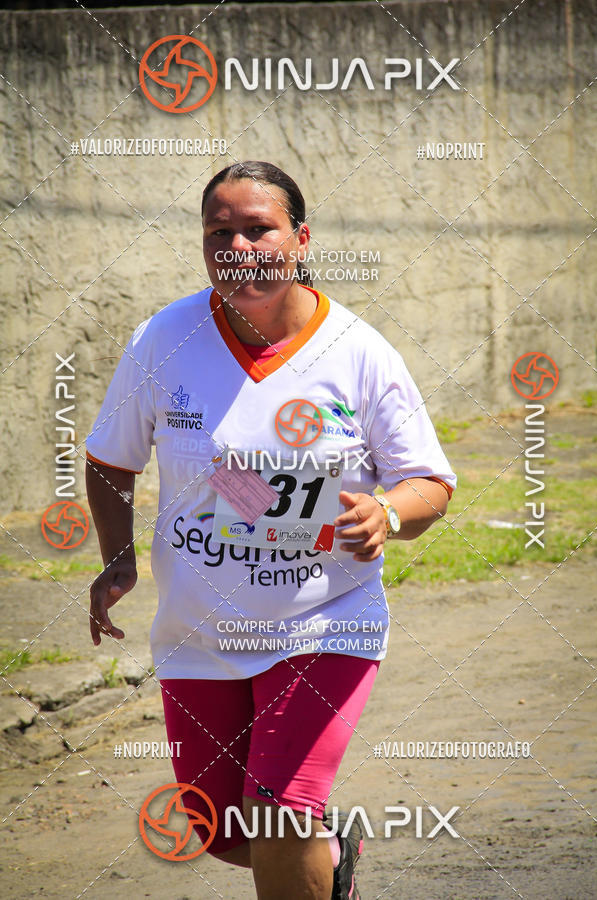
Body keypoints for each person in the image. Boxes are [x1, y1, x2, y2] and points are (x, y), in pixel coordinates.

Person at [86, 160, 456, 900]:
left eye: (259, 228)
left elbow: (431, 483)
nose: (239, 246)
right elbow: (109, 462)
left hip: (322, 622)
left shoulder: (358, 352)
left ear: (302, 238)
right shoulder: (164, 339)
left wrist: (386, 512)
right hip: (199, 631)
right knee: (222, 829)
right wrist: (118, 562)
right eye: (219, 232)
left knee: (280, 816)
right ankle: (332, 856)